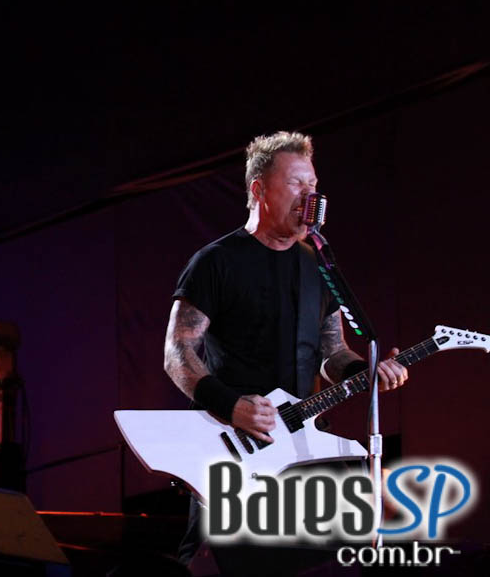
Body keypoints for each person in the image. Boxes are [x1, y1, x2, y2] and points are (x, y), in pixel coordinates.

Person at [162, 130, 408, 565]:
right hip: (237, 445)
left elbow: (333, 352)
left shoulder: (318, 265)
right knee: (222, 560)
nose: (310, 194)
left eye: (313, 184)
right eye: (296, 183)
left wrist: (366, 373)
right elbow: (177, 354)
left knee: (363, 530)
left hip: (302, 439)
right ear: (260, 190)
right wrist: (231, 405)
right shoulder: (217, 261)